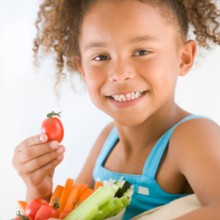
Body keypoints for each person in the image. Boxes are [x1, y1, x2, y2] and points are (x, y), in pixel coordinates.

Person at [13, 0, 220, 219]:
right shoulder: (107, 141)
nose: (119, 73)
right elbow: (70, 215)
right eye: (101, 57)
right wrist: (39, 191)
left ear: (183, 58)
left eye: (141, 51)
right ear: (83, 69)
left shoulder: (193, 136)